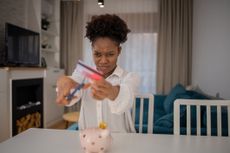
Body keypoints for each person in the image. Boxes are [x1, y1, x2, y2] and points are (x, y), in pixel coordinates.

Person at [56, 14, 140, 133]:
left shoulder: (131, 77)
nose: (103, 61)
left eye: (110, 54)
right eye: (98, 54)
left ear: (119, 51)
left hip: (121, 142)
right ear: (92, 50)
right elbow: (73, 88)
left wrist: (111, 91)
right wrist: (67, 86)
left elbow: (126, 98)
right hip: (88, 141)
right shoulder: (83, 73)